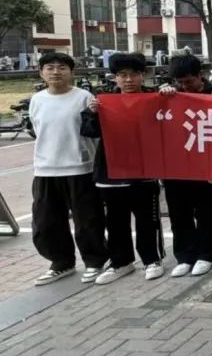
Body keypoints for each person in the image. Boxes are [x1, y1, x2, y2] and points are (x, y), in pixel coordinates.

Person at [82, 53, 166, 284]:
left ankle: (152, 259)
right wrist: (92, 113)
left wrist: (168, 95)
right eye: (123, 75)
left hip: (144, 170)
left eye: (134, 75)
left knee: (147, 219)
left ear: (142, 75)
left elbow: (170, 123)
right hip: (111, 171)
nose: (128, 80)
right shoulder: (103, 102)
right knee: (115, 221)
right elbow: (89, 132)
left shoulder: (154, 98)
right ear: (115, 78)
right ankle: (121, 262)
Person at [28, 53, 108, 286]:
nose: (56, 72)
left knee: (88, 220)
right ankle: (61, 262)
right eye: (50, 68)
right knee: (46, 222)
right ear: (41, 72)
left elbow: (93, 130)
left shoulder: (84, 97)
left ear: (71, 72)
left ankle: (95, 261)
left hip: (80, 168)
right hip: (45, 169)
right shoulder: (37, 100)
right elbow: (38, 130)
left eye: (62, 67)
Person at [159, 55, 212, 277]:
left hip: (206, 164)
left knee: (207, 212)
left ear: (200, 75)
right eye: (180, 82)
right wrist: (163, 95)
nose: (184, 86)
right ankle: (185, 256)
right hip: (175, 165)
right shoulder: (169, 95)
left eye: (189, 81)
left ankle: (207, 255)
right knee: (179, 213)